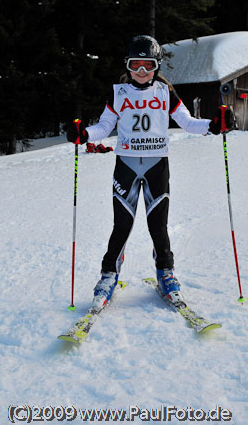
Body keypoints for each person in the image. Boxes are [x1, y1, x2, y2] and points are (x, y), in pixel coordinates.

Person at [67, 35, 225, 310]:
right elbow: (104, 127)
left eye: (148, 66)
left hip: (156, 167)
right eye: (135, 65)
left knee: (158, 226)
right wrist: (84, 134)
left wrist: (215, 124)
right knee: (122, 226)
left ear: (157, 67)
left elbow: (187, 122)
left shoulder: (165, 93)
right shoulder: (118, 93)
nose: (141, 72)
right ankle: (109, 275)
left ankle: (166, 272)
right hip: (126, 166)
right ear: (127, 66)